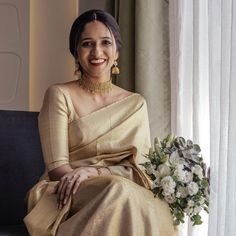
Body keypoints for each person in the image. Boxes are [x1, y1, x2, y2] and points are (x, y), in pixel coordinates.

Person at [24, 9, 178, 236]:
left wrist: (92, 172)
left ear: (116, 52)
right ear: (76, 52)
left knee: (154, 204)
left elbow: (140, 171)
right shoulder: (59, 94)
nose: (97, 51)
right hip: (65, 190)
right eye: (87, 44)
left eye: (106, 42)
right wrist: (85, 175)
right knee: (118, 190)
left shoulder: (135, 104)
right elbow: (57, 169)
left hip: (120, 187)